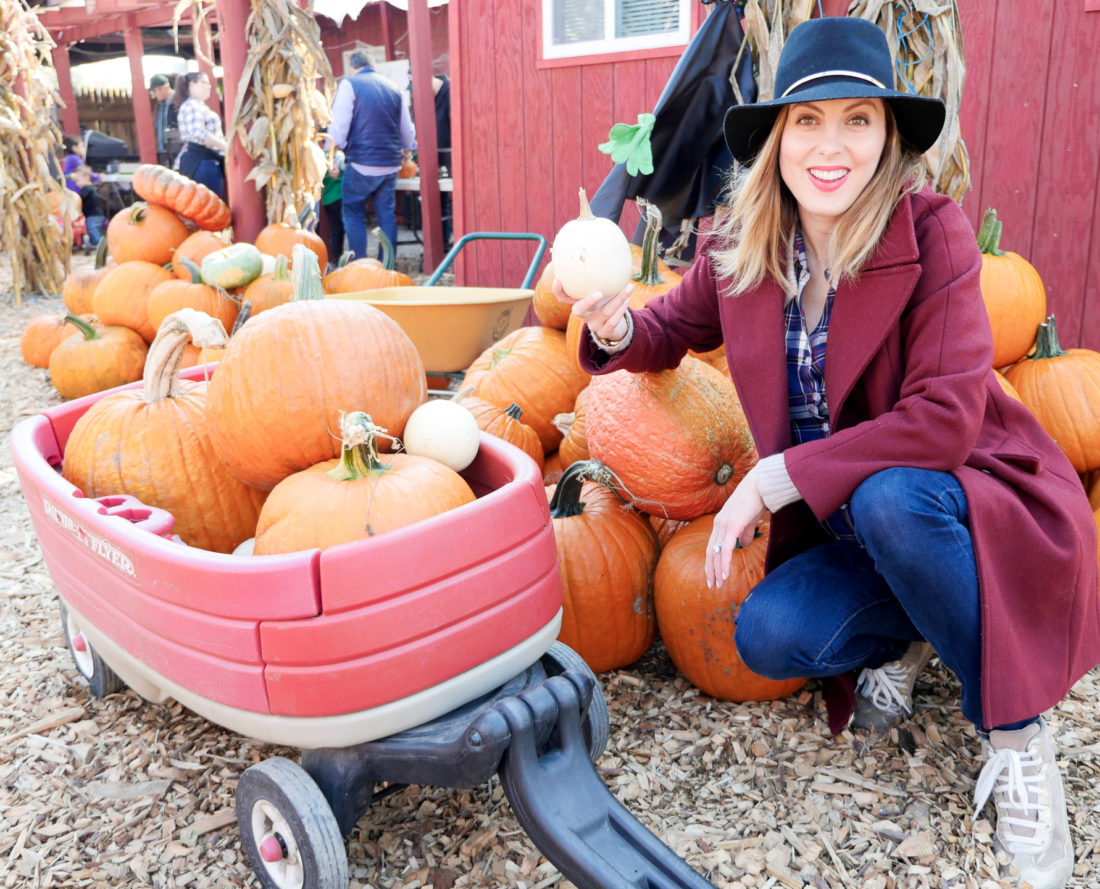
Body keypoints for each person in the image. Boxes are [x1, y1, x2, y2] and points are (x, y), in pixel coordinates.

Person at [559, 17, 1100, 889]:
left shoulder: (934, 238)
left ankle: (1017, 732)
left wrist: (776, 477)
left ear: (888, 136)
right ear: (776, 138)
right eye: (808, 120)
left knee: (893, 498)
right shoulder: (742, 249)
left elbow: (944, 420)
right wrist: (619, 326)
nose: (831, 145)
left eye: (858, 119)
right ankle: (922, 627)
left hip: (964, 498)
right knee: (770, 635)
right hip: (851, 527)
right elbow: (668, 330)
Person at [329, 49, 416, 261]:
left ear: (353, 67)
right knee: (386, 214)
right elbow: (407, 130)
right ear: (373, 65)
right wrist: (407, 148)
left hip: (361, 163)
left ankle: (360, 263)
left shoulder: (350, 84)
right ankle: (387, 264)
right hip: (390, 164)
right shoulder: (394, 88)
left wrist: (334, 150)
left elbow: (339, 125)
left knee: (352, 211)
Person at [173, 71, 227, 197]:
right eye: (204, 83)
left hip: (204, 162)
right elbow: (199, 134)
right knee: (208, 206)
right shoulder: (192, 105)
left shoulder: (198, 105)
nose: (209, 86)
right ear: (192, 84)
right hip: (202, 163)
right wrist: (225, 146)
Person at [432, 72, 453, 248]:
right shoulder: (424, 99)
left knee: (449, 201)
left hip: (452, 158)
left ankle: (449, 240)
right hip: (435, 159)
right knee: (439, 200)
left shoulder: (451, 93)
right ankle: (444, 242)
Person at [319, 134, 346, 264]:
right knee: (344, 228)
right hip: (340, 196)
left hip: (327, 199)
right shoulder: (338, 155)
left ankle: (336, 259)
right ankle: (344, 258)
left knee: (335, 230)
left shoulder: (319, 157)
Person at [70, 164, 106, 247]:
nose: (76, 183)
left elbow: (79, 198)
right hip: (95, 215)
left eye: (77, 180)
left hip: (94, 215)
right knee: (91, 228)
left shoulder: (87, 188)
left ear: (86, 177)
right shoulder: (90, 188)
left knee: (92, 228)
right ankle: (94, 242)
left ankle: (99, 243)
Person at [150, 74, 180, 167]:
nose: (154, 95)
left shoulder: (179, 102)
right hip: (163, 152)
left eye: (154, 91)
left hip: (177, 151)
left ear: (162, 88)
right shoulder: (159, 105)